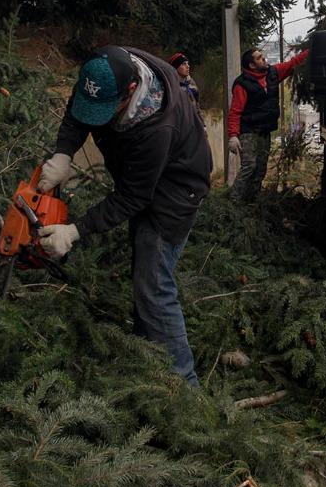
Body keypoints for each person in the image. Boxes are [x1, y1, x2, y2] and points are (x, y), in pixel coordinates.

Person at [36, 45, 212, 386]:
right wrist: (63, 154)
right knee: (143, 270)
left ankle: (183, 388)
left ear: (130, 91)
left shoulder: (157, 125)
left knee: (153, 279)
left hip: (177, 189)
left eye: (104, 110)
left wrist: (74, 231)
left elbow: (133, 196)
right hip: (144, 176)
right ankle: (150, 355)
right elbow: (78, 111)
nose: (96, 117)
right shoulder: (104, 70)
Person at [227, 46, 308, 201]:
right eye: (259, 57)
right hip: (248, 131)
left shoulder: (273, 73)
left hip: (264, 131)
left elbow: (293, 64)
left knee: (260, 170)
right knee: (249, 166)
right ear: (251, 65)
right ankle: (234, 203)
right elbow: (235, 112)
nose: (264, 59)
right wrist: (233, 135)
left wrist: (312, 50)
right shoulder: (242, 84)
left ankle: (252, 201)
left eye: (263, 56)